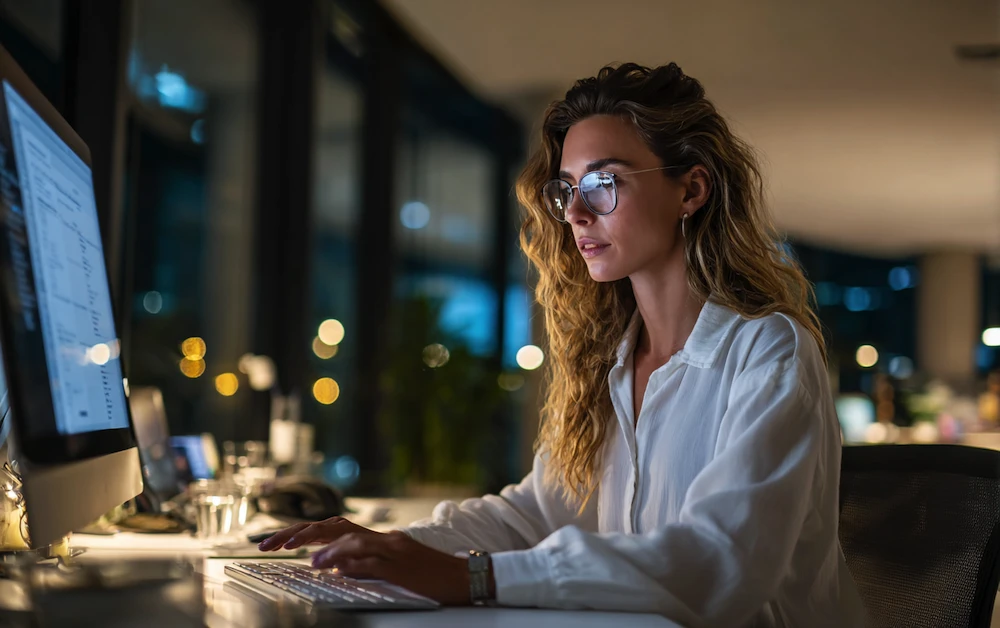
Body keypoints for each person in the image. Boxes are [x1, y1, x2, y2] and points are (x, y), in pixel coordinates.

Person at [260, 62, 867, 627]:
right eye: (566, 188)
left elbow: (717, 563)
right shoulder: (613, 359)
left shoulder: (769, 351)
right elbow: (539, 512)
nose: (575, 211)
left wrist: (470, 576)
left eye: (604, 182)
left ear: (692, 191)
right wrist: (397, 544)